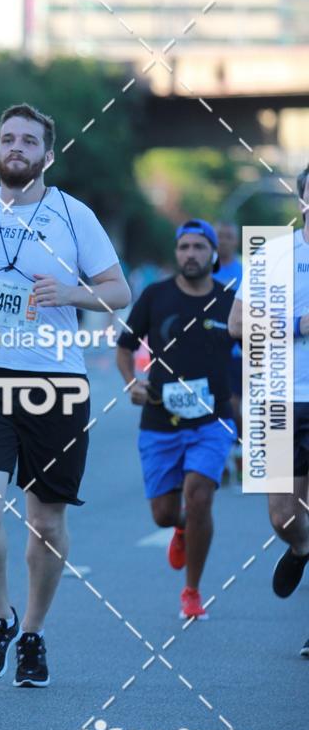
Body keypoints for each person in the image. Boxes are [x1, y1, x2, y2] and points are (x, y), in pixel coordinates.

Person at [0, 103, 130, 687]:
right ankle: (0, 616)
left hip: (57, 382)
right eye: (7, 139)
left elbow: (118, 291)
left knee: (45, 522)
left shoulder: (74, 216)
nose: (15, 147)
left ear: (47, 155)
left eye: (27, 140)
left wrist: (71, 292)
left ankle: (33, 633)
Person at [116, 219, 237, 620]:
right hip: (159, 419)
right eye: (183, 247)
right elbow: (124, 347)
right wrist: (131, 382)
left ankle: (192, 590)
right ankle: (182, 527)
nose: (190, 254)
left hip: (212, 421)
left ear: (214, 254)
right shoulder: (155, 296)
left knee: (200, 495)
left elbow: (259, 351)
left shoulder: (231, 301)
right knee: (165, 514)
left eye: (199, 248)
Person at [228, 164, 309, 655]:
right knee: (282, 515)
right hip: (279, 396)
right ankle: (301, 546)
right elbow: (238, 324)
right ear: (301, 199)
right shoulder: (275, 254)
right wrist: (298, 324)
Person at [214, 221, 243, 483]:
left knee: (234, 405)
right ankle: (219, 458)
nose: (223, 240)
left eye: (228, 236)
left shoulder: (246, 270)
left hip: (237, 350)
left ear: (236, 240)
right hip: (207, 350)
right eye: (219, 236)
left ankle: (239, 449)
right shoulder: (203, 269)